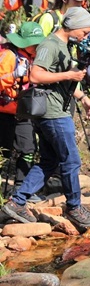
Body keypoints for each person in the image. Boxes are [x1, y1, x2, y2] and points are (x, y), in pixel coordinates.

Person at [1, 7, 90, 231]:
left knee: (49, 161)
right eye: (83, 32)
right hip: (52, 113)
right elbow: (36, 75)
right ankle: (74, 208)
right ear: (72, 27)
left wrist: (83, 97)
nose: (84, 37)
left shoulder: (64, 46)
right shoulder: (49, 45)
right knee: (71, 160)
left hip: (57, 110)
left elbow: (65, 81)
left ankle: (17, 202)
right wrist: (69, 74)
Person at [0, 22, 46, 194]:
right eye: (34, 43)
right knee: (3, 153)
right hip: (4, 112)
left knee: (28, 149)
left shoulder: (30, 57)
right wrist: (13, 75)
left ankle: (21, 188)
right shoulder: (9, 56)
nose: (37, 46)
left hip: (23, 111)